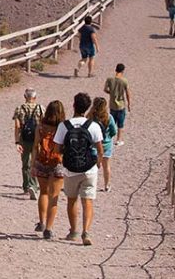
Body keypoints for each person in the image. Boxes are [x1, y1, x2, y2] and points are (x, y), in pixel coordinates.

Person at [54, 93, 105, 246]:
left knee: (71, 200)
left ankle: (73, 230)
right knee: (88, 201)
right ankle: (86, 231)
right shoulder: (93, 125)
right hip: (89, 168)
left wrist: (66, 157)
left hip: (70, 169)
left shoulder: (64, 126)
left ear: (74, 105)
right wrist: (98, 163)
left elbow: (57, 148)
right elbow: (100, 149)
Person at [33, 100, 68, 239]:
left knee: (43, 192)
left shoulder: (41, 126)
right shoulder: (64, 127)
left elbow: (36, 145)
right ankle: (49, 228)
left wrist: (32, 164)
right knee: (54, 197)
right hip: (58, 162)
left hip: (42, 161)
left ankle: (41, 222)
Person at [12, 89, 44, 199]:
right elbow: (43, 125)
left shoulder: (19, 108)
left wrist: (17, 141)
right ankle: (34, 186)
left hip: (24, 139)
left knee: (25, 163)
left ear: (24, 96)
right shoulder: (40, 108)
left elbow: (17, 126)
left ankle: (26, 186)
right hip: (37, 139)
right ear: (35, 97)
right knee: (35, 162)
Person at [90, 97, 118, 192]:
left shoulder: (91, 117)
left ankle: (92, 184)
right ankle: (106, 185)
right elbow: (114, 131)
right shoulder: (109, 117)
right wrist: (108, 136)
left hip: (94, 145)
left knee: (93, 167)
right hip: (106, 145)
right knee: (106, 166)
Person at [103, 63, 131, 145]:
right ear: (123, 71)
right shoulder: (124, 81)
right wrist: (129, 103)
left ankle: (109, 138)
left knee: (112, 122)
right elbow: (128, 93)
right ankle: (118, 140)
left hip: (112, 105)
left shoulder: (110, 79)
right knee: (120, 123)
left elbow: (105, 89)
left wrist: (111, 93)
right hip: (121, 104)